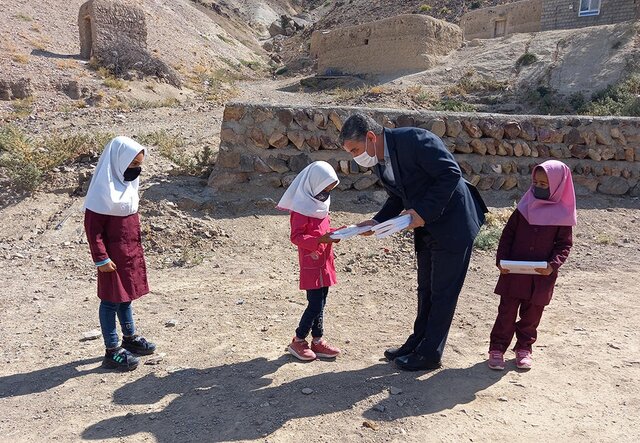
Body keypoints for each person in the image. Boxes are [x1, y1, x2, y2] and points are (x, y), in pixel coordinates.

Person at [339, 113, 488, 371]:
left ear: (371, 138)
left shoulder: (415, 140)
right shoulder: (379, 158)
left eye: (355, 149)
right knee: (426, 288)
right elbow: (398, 197)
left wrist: (422, 213)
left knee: (443, 292)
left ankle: (430, 354)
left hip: (453, 222)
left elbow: (450, 174)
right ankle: (418, 342)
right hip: (425, 224)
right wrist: (375, 222)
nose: (355, 157)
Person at [488, 160, 575, 370]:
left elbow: (564, 245)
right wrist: (501, 261)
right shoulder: (523, 208)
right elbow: (507, 236)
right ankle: (497, 348)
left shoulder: (563, 215)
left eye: (545, 184)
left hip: (541, 277)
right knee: (506, 312)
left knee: (532, 315)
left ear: (557, 186)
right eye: (536, 182)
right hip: (514, 273)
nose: (538, 187)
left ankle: (524, 348)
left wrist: (552, 265)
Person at [84, 136, 156, 371]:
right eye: (132, 165)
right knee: (110, 302)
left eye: (139, 165)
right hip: (111, 259)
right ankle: (112, 350)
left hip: (130, 255)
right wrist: (101, 258)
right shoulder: (101, 194)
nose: (136, 170)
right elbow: (93, 230)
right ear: (118, 163)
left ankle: (130, 338)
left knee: (126, 298)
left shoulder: (128, 189)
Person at [277, 161, 342, 361]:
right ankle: (298, 340)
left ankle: (318, 340)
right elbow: (296, 237)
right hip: (311, 263)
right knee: (314, 304)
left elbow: (323, 231)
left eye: (330, 189)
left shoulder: (321, 205)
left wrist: (336, 233)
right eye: (324, 188)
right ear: (314, 185)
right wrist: (319, 240)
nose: (326, 193)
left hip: (324, 262)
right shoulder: (301, 208)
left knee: (322, 303)